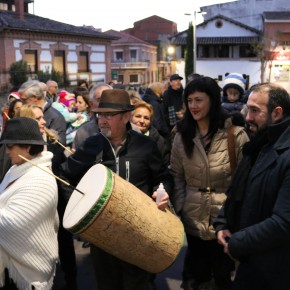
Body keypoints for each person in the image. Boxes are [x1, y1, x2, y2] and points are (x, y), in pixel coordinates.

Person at [60, 88, 173, 290]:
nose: (102, 120)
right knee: (107, 284)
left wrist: (162, 192)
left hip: (140, 232)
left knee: (138, 283)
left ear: (125, 117)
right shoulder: (91, 145)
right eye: (100, 114)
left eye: (109, 115)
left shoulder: (146, 145)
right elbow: (64, 176)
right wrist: (79, 207)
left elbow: (163, 178)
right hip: (103, 235)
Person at [170, 76, 249, 290]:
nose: (193, 106)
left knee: (225, 275)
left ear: (212, 100)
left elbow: (245, 180)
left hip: (226, 218)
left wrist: (236, 214)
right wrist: (180, 205)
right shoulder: (181, 136)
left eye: (198, 100)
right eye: (189, 101)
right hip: (192, 216)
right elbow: (176, 175)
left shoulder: (235, 135)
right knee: (199, 274)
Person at [214, 83, 290, 290]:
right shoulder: (258, 144)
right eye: (248, 109)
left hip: (274, 270)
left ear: (277, 113)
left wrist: (237, 243)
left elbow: (283, 222)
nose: (247, 117)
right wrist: (222, 222)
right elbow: (239, 191)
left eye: (255, 111)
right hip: (250, 260)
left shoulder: (284, 152)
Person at [18, 81, 77, 290]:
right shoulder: (18, 149)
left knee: (63, 241)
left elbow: (58, 158)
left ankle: (70, 281)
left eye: (43, 117)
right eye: (38, 119)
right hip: (35, 206)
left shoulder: (54, 125)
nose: (44, 121)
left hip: (57, 195)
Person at [0, 117, 59, 290]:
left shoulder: (40, 179)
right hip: (11, 266)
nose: (6, 151)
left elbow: (12, 223)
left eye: (10, 146)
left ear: (27, 147)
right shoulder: (18, 167)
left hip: (28, 274)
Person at [72, 83, 112, 150]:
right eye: (100, 99)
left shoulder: (130, 129)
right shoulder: (82, 132)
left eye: (109, 98)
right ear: (92, 104)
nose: (105, 102)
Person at [131, 100, 170, 166]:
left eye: (146, 118)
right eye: (138, 116)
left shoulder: (159, 141)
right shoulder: (121, 137)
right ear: (130, 118)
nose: (142, 121)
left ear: (151, 122)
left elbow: (165, 165)